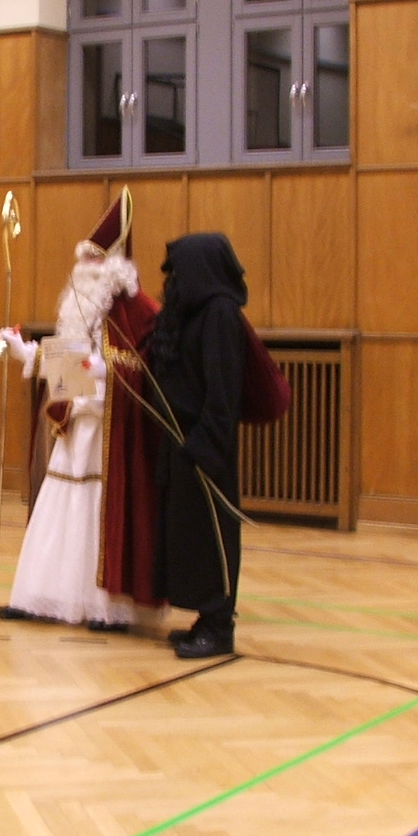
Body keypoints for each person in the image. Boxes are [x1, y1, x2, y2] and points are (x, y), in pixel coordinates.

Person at [0, 190, 161, 630]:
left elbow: (142, 371)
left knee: (98, 512)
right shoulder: (82, 306)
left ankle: (107, 607)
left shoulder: (138, 311)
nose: (83, 267)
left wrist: (107, 373)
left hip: (110, 434)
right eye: (83, 258)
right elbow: (70, 360)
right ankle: (42, 597)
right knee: (59, 506)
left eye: (93, 259)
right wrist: (28, 353)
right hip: (75, 428)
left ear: (113, 265)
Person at [149, 233, 248, 660]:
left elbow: (223, 392)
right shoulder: (191, 313)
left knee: (213, 539)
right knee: (189, 537)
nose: (171, 282)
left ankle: (219, 627)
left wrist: (203, 447)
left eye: (177, 273)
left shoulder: (220, 314)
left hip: (206, 450)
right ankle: (204, 619)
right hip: (182, 446)